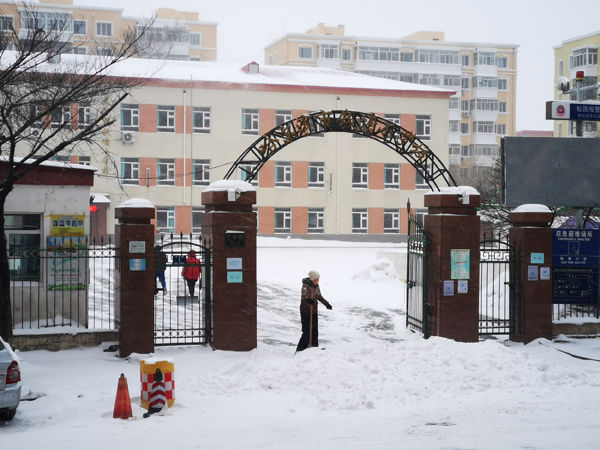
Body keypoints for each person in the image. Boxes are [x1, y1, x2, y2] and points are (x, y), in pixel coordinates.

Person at [296, 270, 332, 353]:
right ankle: (300, 349)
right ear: (312, 279)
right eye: (316, 279)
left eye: (318, 279)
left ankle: (315, 348)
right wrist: (308, 299)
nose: (318, 281)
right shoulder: (306, 285)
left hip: (314, 311)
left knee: (314, 330)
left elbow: (319, 296)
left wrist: (326, 304)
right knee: (307, 331)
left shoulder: (316, 286)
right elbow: (304, 295)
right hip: (306, 311)